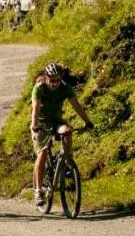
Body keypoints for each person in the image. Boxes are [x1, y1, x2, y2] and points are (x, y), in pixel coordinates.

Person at [31, 62, 93, 207]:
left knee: (67, 130)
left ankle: (67, 162)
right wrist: (35, 125)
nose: (55, 83)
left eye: (58, 80)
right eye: (52, 80)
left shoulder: (65, 88)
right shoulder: (39, 88)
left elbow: (77, 106)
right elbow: (35, 109)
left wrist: (87, 122)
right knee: (43, 152)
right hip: (40, 123)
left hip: (56, 121)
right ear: (46, 78)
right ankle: (38, 190)